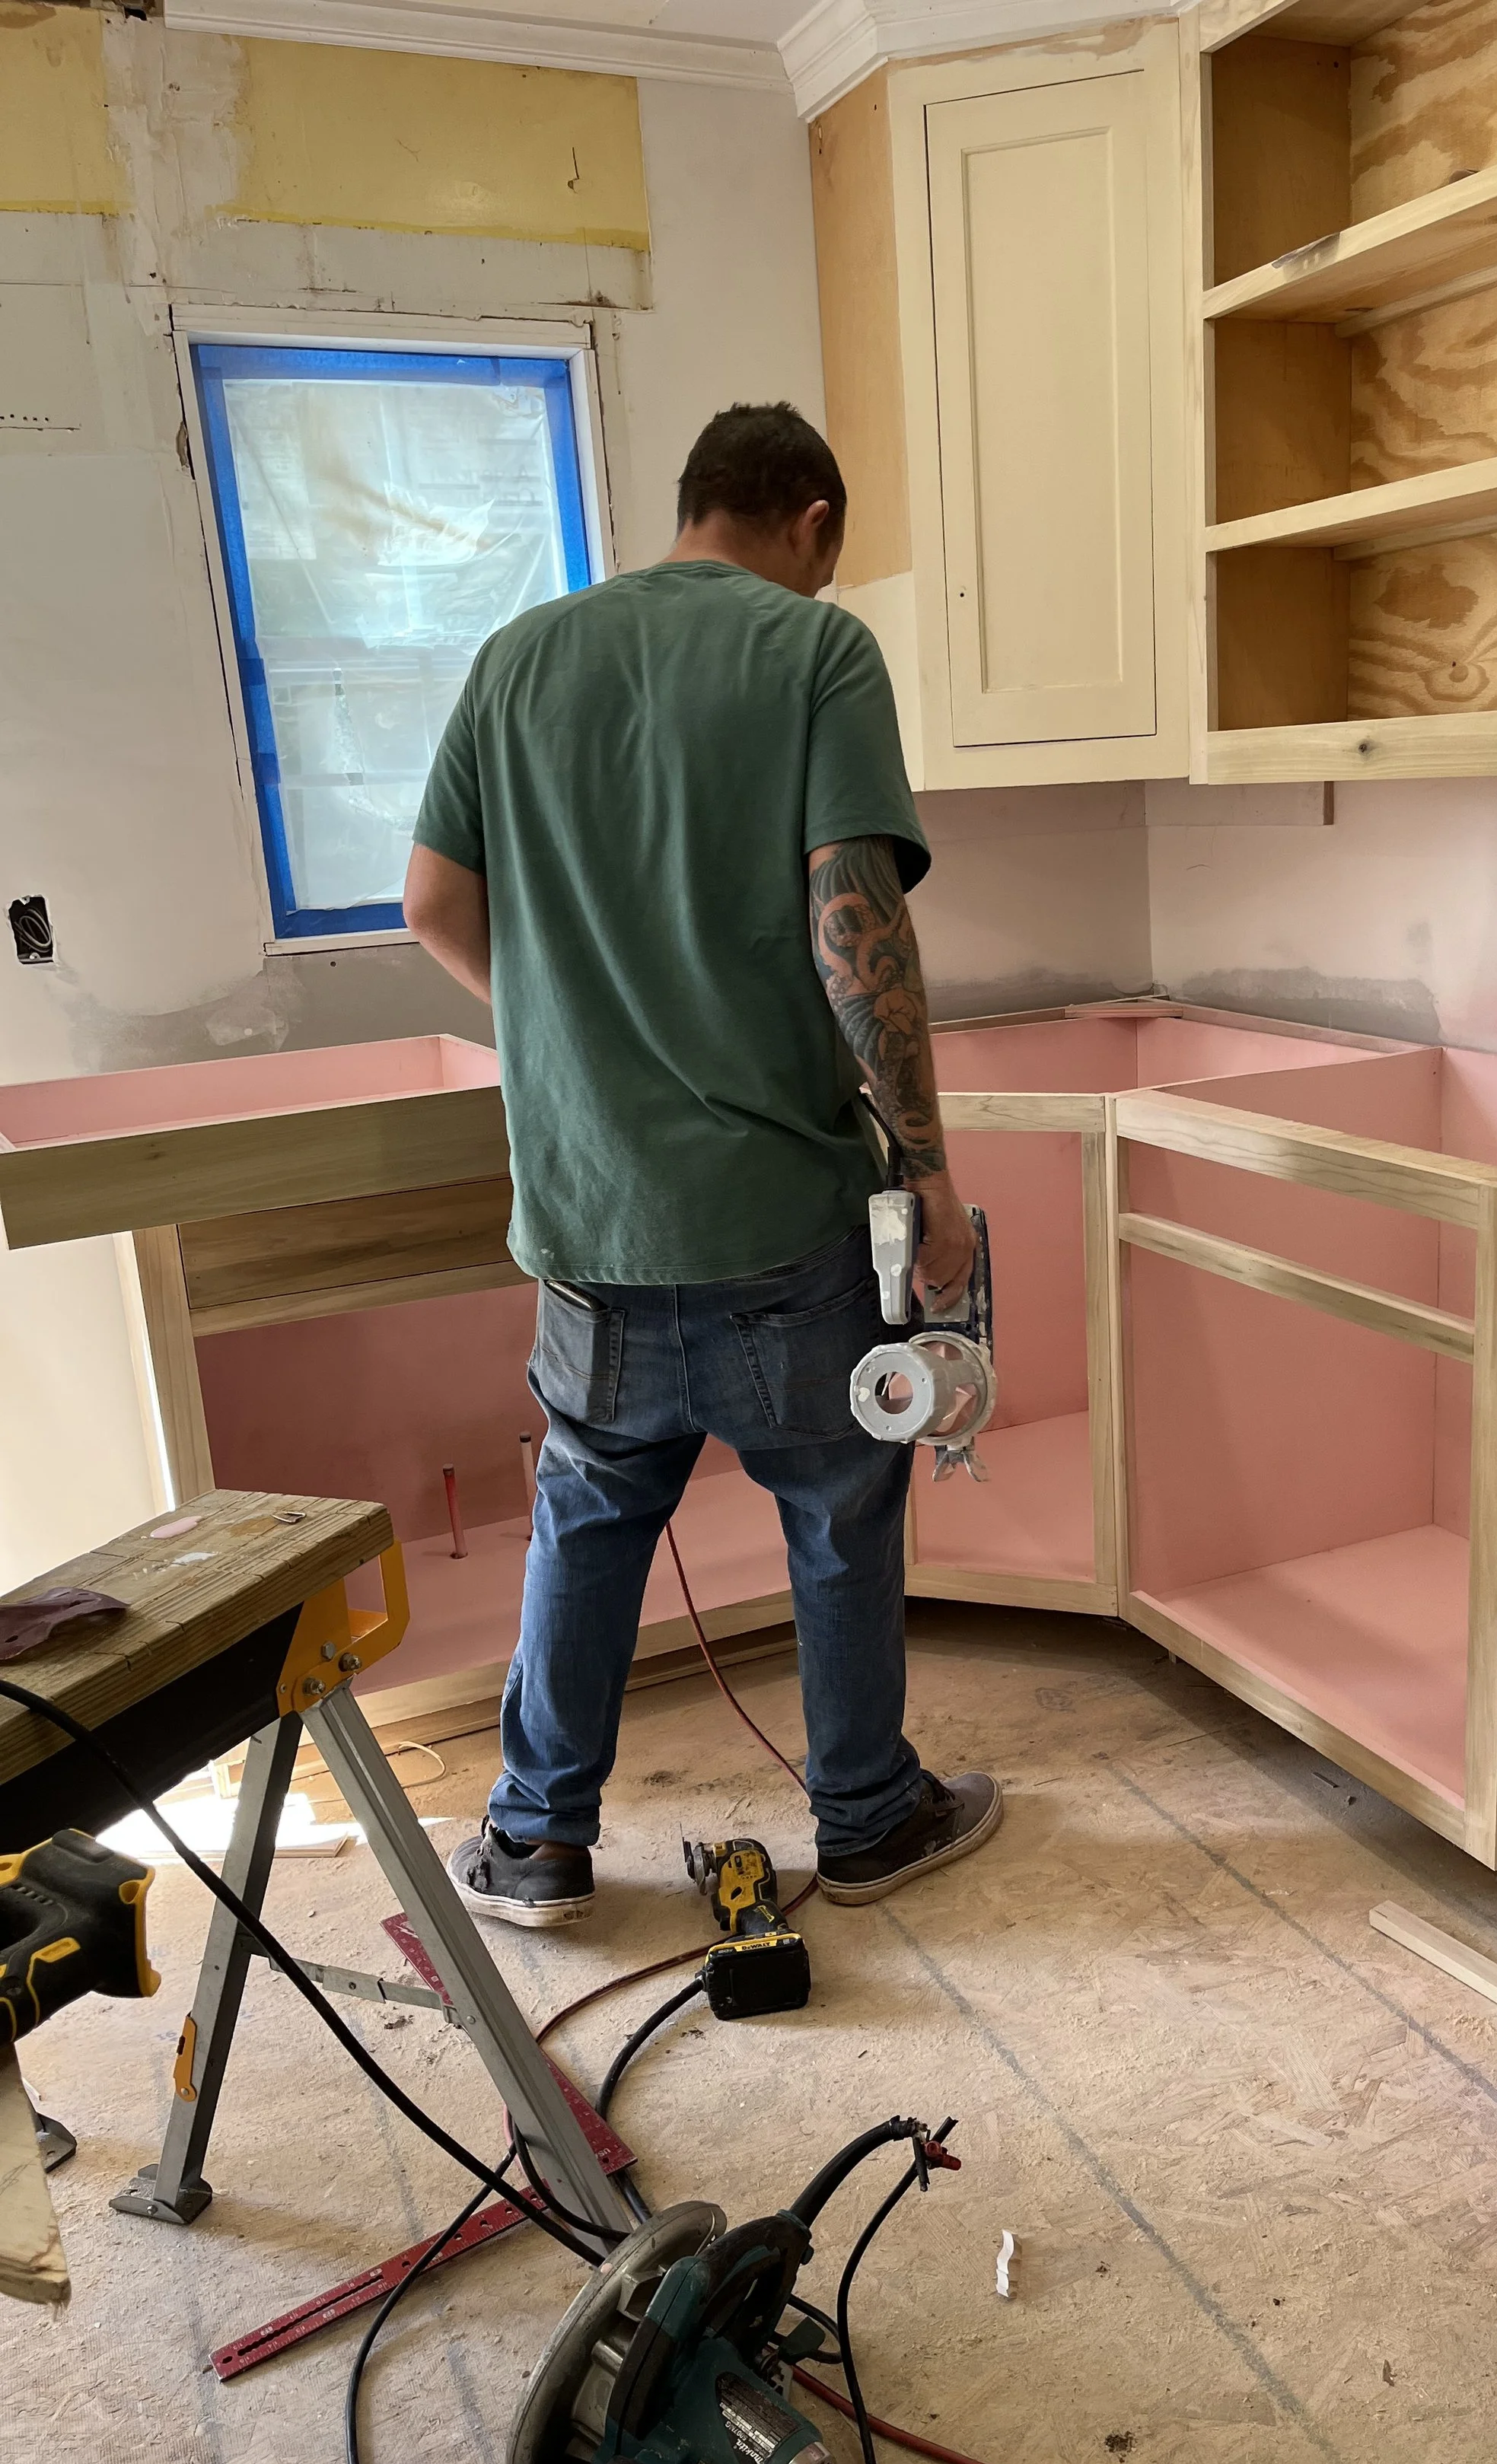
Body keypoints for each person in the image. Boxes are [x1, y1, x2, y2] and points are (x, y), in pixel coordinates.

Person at [403, 402, 999, 1931]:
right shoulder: (813, 653)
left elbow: (429, 903)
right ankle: (863, 1817)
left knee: (590, 1512)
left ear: (691, 505)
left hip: (590, 1216)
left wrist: (567, 1034)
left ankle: (536, 1838)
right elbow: (850, 911)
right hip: (773, 1217)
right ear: (806, 521)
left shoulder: (518, 658)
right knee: (839, 1506)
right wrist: (927, 1169)